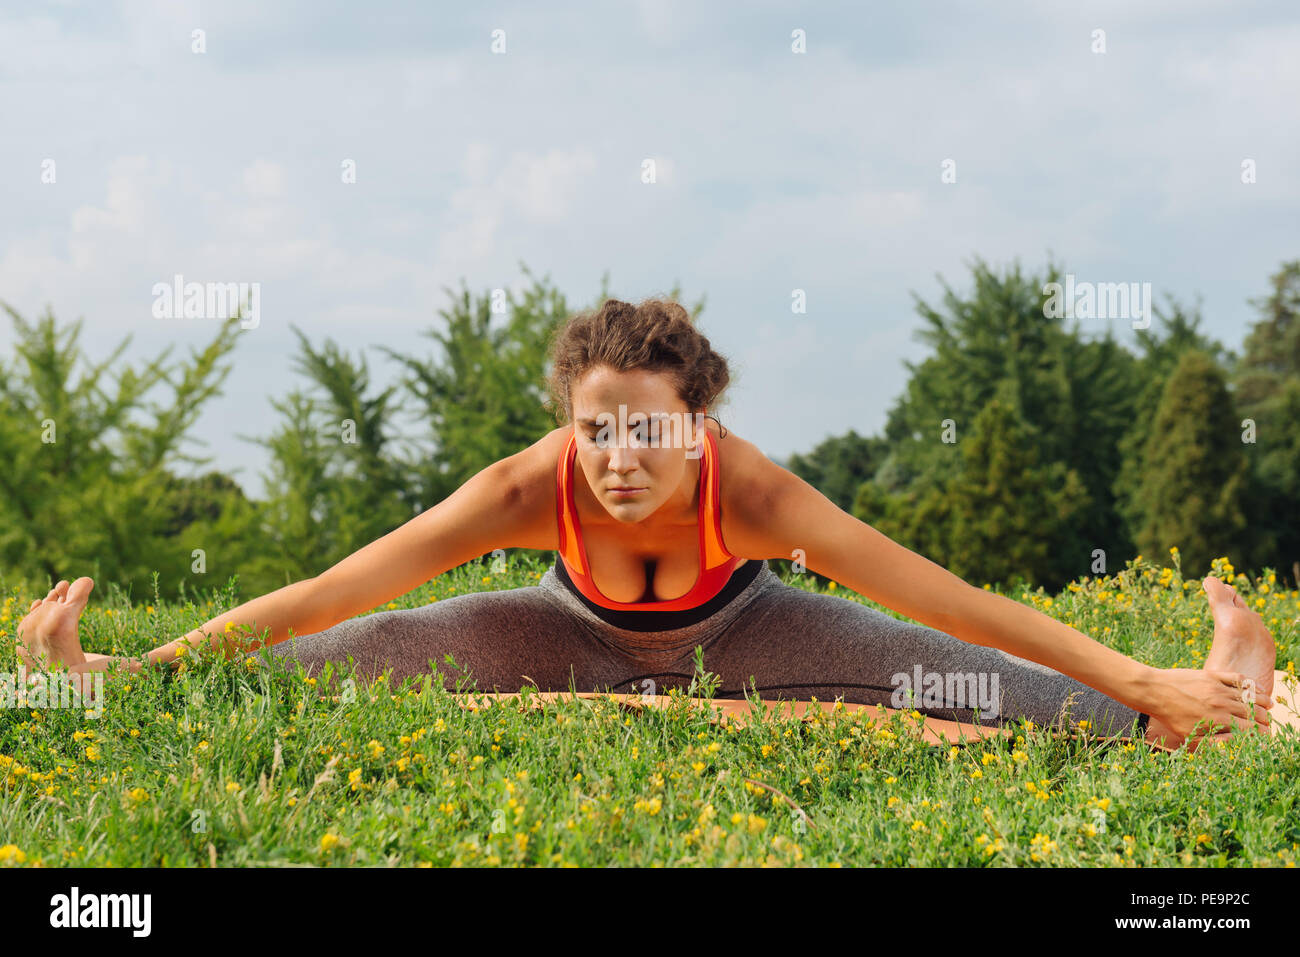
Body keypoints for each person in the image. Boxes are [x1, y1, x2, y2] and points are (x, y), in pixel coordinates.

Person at [17, 298, 1294, 751]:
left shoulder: (755, 494)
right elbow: (328, 591)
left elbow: (945, 600)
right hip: (556, 633)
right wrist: (136, 667)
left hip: (740, 630)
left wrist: (1134, 675)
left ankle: (1204, 694)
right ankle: (117, 686)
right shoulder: (527, 489)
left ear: (698, 420)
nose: (619, 458)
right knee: (310, 671)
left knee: (978, 682)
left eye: (647, 430)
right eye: (595, 430)